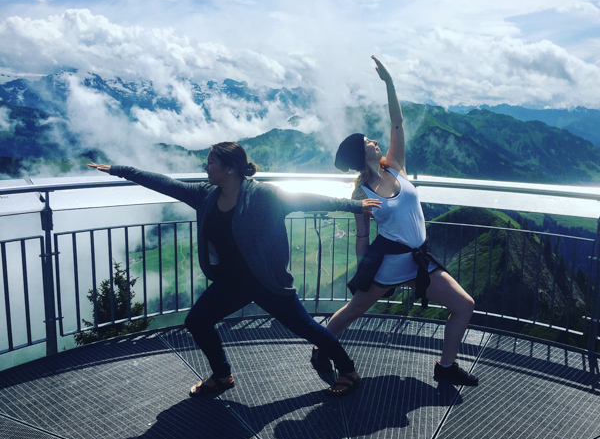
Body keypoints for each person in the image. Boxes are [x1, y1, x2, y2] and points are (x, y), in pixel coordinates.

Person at [88, 141, 380, 397]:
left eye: (210, 162)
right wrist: (119, 169)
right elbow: (165, 183)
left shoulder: (263, 196)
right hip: (232, 283)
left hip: (267, 281)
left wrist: (354, 205)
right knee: (197, 321)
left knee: (307, 328)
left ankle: (349, 372)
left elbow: (308, 199)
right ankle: (222, 375)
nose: (205, 167)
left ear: (229, 168)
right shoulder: (205, 195)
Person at [311, 56, 478, 386]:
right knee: (356, 309)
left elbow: (397, 122)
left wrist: (389, 84)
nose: (375, 142)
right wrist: (363, 268)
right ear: (363, 156)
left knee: (464, 305)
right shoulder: (361, 193)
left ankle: (446, 366)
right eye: (368, 143)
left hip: (419, 261)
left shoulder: (395, 166)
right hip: (389, 262)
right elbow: (362, 234)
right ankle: (321, 345)